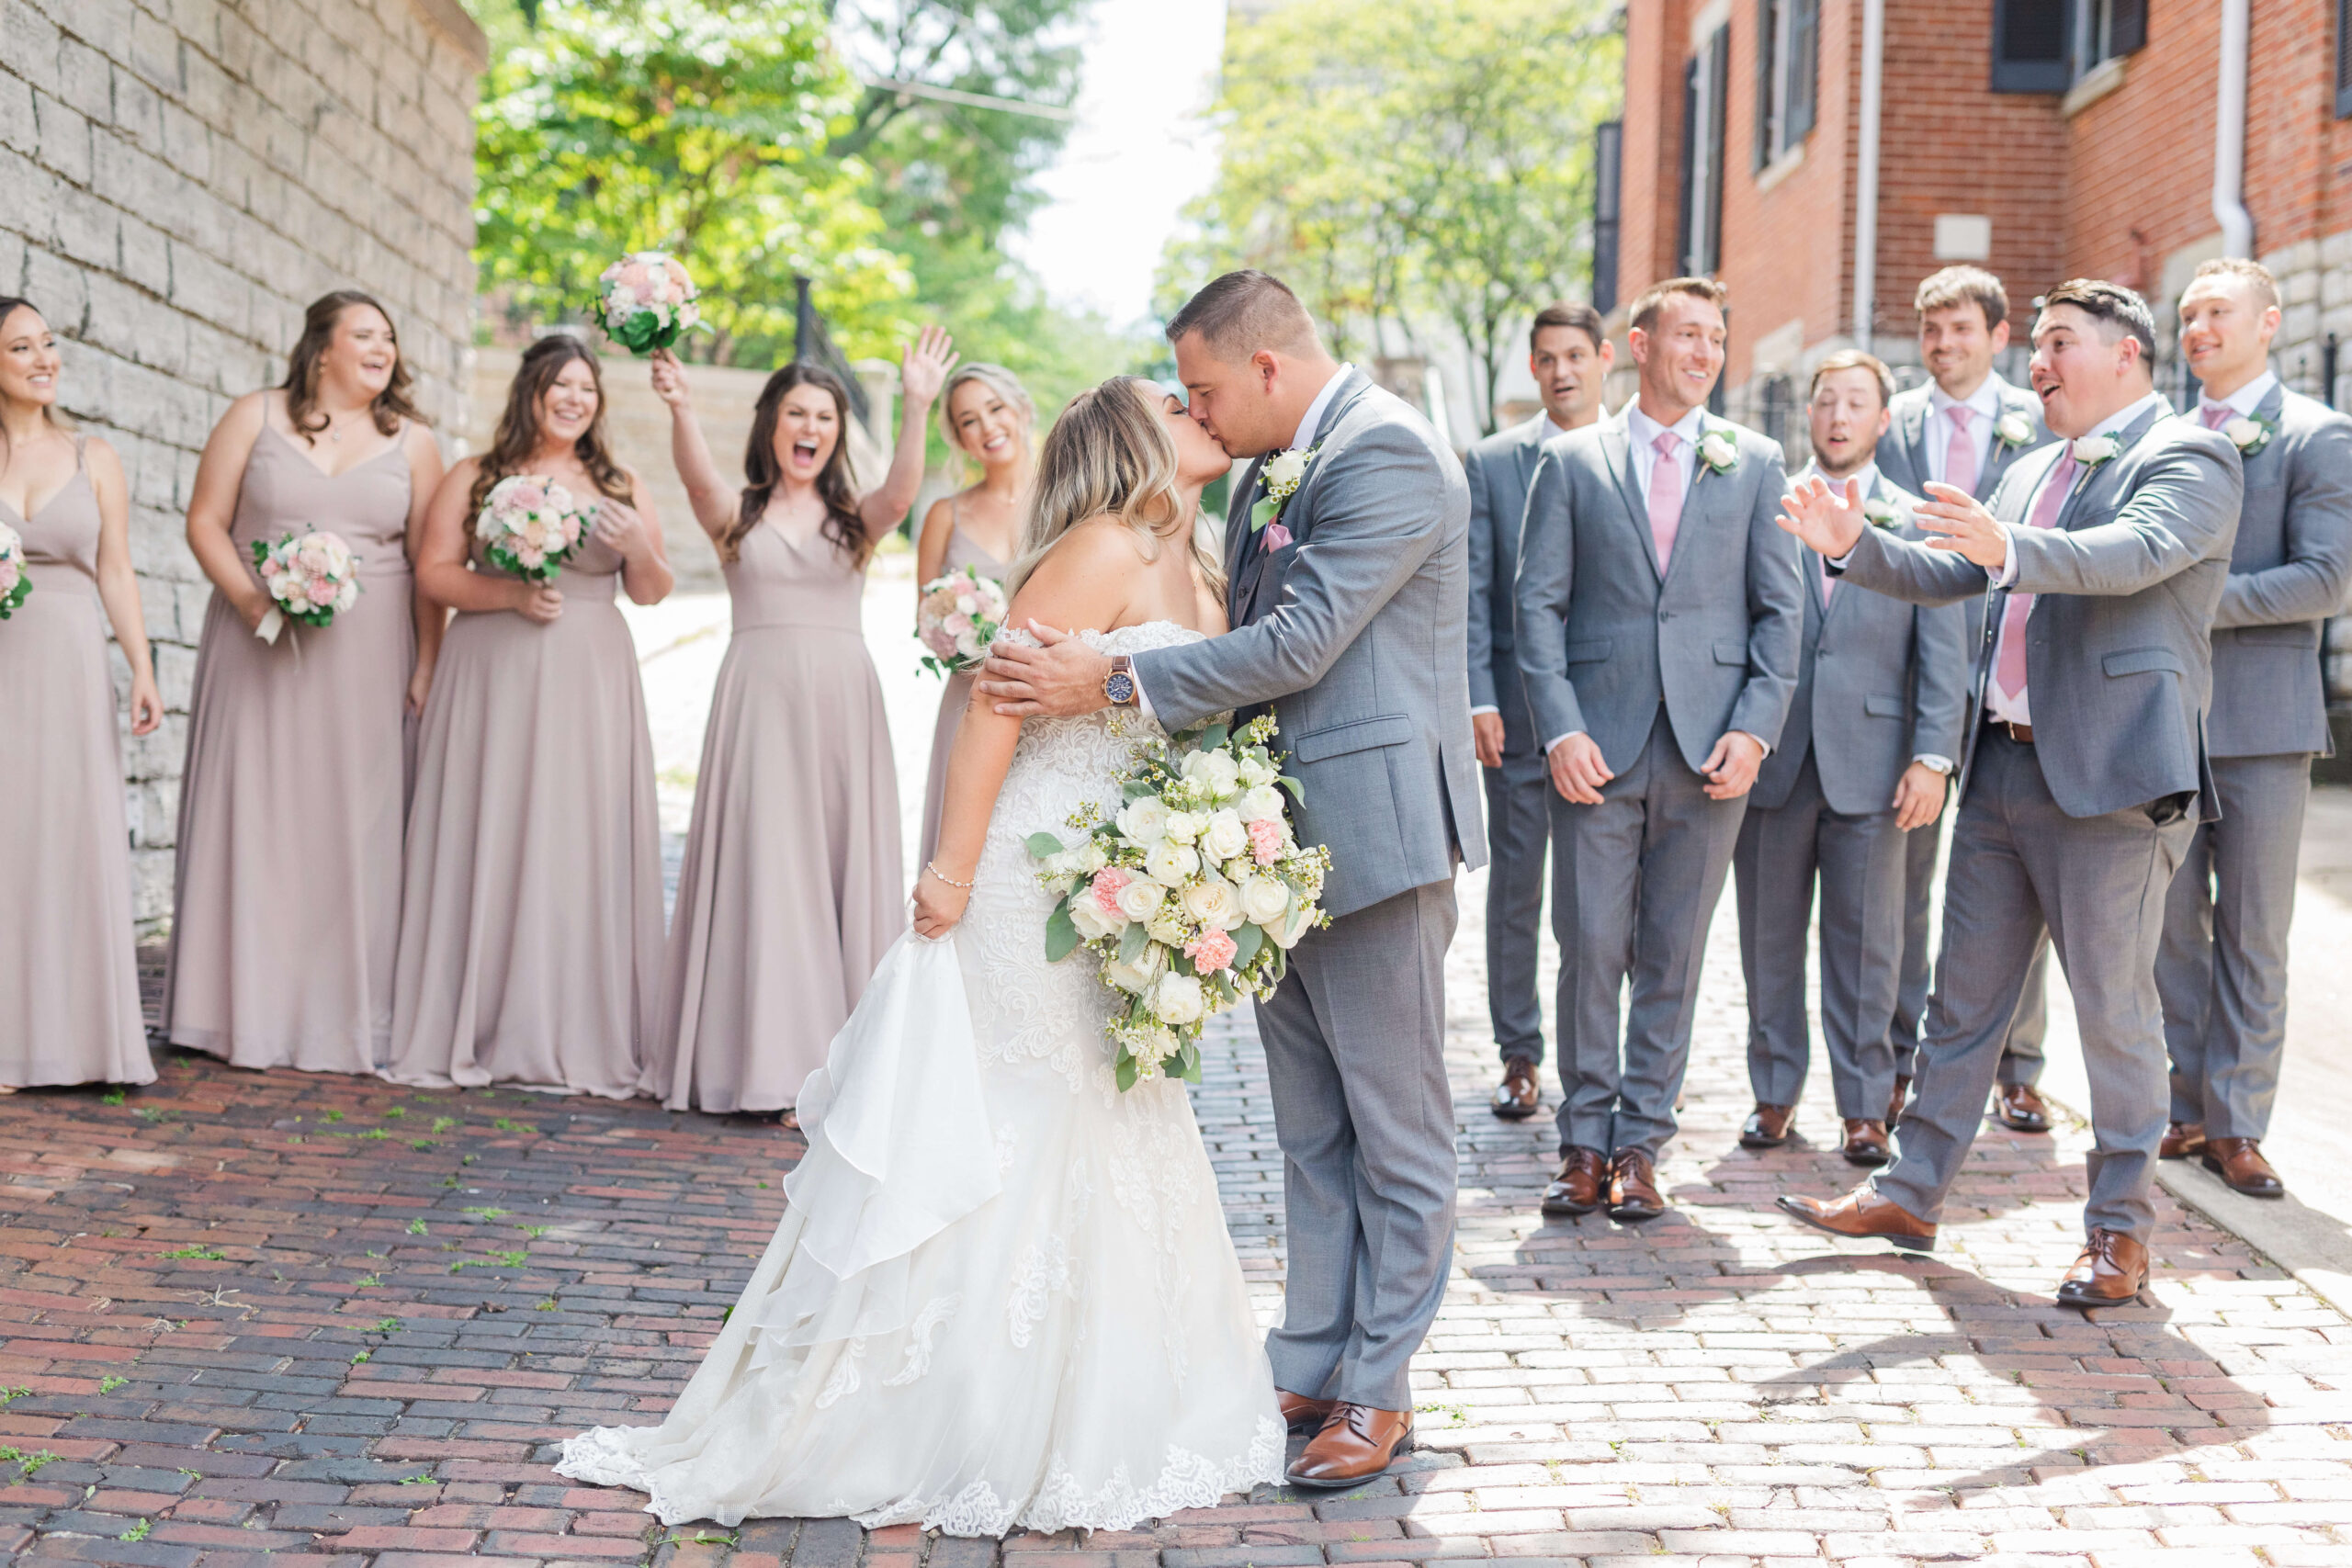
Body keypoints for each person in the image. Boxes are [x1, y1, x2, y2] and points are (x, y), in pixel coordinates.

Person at [555, 376, 1282, 1532]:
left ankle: (1102, 1397)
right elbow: (996, 703)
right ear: (1134, 439)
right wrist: (949, 864)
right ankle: (935, 1406)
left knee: (1110, 1108)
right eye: (1175, 402)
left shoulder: (1195, 562)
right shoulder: (1099, 547)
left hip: (1119, 886)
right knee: (1001, 1119)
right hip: (1024, 874)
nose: (1198, 410)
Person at [976, 270, 1477, 1488]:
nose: (1190, 410)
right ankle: (1309, 1349)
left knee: (1395, 1129)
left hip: (1375, 836)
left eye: (1201, 387)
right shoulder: (1262, 471)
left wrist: (1111, 682)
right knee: (1309, 1124)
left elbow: (1301, 643)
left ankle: (1377, 1386)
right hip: (1263, 847)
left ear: (1264, 367)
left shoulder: (1391, 456)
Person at [1775, 280, 2241, 1310]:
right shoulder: (2029, 465)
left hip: (2109, 781)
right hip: (2000, 769)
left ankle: (2120, 1233)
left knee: (2115, 1017)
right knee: (1960, 1004)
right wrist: (1851, 550)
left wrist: (2013, 550)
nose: (2036, 361)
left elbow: (2135, 556)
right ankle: (1909, 1193)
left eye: (2058, 342)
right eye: (2033, 343)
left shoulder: (2190, 455)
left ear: (2125, 354)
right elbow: (1956, 573)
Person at [1513, 276, 1802, 1225]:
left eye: (1716, 337)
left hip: (1709, 749)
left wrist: (1755, 729)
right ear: (1637, 347)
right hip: (1595, 745)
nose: (1704, 352)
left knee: (1673, 954)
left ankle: (1642, 1144)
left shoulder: (1755, 461)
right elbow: (1537, 607)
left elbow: (1780, 612)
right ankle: (1581, 1144)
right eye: (1686, 335)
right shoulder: (1575, 461)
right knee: (1590, 945)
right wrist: (1557, 726)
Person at [639, 329, 956, 1116]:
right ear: (771, 425)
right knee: (761, 872)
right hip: (756, 708)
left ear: (837, 431)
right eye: (794, 413)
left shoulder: (855, 518)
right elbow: (695, 474)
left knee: (832, 876)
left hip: (841, 708)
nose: (809, 427)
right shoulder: (735, 516)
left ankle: (833, 1070)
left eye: (824, 415)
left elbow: (901, 495)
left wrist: (917, 404)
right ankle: (751, 1063)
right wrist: (679, 406)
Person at [164, 290, 447, 1074]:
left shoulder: (414, 442)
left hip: (368, 658)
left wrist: (427, 662)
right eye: (364, 334)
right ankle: (233, 1011)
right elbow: (204, 521)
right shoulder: (254, 416)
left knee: (352, 827)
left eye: (389, 336)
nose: (382, 347)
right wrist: (256, 595)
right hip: (257, 646)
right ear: (321, 348)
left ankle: (343, 1017)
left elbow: (429, 566)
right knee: (254, 814)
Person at [388, 335, 673, 1096]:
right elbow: (433, 573)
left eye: (586, 387)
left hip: (589, 678)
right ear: (531, 392)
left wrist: (640, 545)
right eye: (560, 385)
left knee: (575, 835)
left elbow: (651, 589)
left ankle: (572, 1017)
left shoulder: (617, 482)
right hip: (492, 673)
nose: (574, 399)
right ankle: (476, 1015)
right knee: (494, 825)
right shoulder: (478, 476)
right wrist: (509, 593)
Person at [1731, 351, 1967, 1168]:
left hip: (1877, 763)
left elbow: (1944, 645)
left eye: (1853, 402)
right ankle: (1773, 1092)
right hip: (1776, 758)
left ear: (1882, 418)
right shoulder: (1767, 504)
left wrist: (1933, 754)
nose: (1836, 415)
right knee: (1767, 936)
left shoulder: (1914, 516)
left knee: (1869, 945)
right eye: (1824, 399)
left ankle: (1866, 1106)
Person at [2156, 258, 2352, 1197]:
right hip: (2159, 722)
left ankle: (2239, 1124)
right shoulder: (2158, 437)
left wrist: (2197, 603)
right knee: (2166, 927)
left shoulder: (2317, 435)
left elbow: (2329, 578)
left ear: (2268, 323)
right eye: (2187, 314)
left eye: (2216, 313)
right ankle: (2187, 1104)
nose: (2196, 329)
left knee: (2252, 930)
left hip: (2266, 725)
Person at [1872, 265, 2057, 1135]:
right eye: (1930, 330)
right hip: (1913, 678)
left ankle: (2020, 1066)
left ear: (1998, 333)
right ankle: (1908, 1055)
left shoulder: (2040, 423)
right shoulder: (1893, 423)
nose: (1943, 345)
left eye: (1959, 329)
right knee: (1908, 886)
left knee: (2021, 883)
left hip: (2013, 674)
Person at [0, 297, 162, 1091]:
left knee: (67, 833)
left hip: (67, 663)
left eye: (48, 343)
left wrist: (142, 665)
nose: (43, 358)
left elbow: (117, 570)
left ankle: (79, 1041)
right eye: (20, 347)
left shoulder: (93, 455)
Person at [1467, 302, 1613, 1122]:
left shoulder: (1635, 454)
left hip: (1613, 719)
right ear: (1533, 368)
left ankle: (1599, 1054)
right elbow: (1474, 590)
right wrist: (1479, 695)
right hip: (1518, 717)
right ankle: (1519, 1054)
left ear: (1602, 360)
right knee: (1518, 892)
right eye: (1547, 359)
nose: (1562, 371)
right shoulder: (1492, 463)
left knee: (1595, 904)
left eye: (1575, 356)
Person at [915, 362, 1035, 868]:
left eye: (994, 409)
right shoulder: (947, 515)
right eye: (968, 420)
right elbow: (925, 620)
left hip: (1042, 703)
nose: (986, 427)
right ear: (959, 438)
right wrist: (962, 635)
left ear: (1021, 410)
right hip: (968, 700)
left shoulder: (1069, 500)